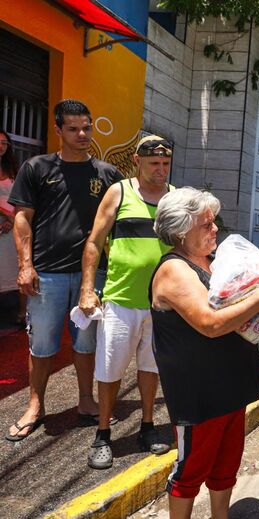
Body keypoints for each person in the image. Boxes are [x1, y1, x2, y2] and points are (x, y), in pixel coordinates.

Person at [150, 187, 259, 519]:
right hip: (200, 392)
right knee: (191, 470)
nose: (215, 229)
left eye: (215, 222)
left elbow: (241, 315)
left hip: (230, 383)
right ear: (181, 231)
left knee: (226, 464)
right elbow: (210, 324)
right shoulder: (174, 269)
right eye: (206, 225)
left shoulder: (213, 262)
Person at [5, 100, 123, 442]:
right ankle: (35, 405)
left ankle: (86, 399)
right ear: (58, 130)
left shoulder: (107, 174)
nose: (82, 134)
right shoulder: (36, 168)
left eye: (86, 127)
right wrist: (26, 266)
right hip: (48, 274)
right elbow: (22, 218)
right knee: (42, 345)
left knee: (87, 342)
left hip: (94, 276)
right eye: (73, 128)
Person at [78, 135, 176, 469]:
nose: (161, 170)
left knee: (151, 369)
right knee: (110, 371)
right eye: (154, 164)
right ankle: (103, 434)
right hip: (121, 301)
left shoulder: (175, 198)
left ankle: (147, 426)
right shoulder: (119, 192)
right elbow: (94, 243)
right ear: (137, 161)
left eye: (165, 164)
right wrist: (87, 289)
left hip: (162, 305)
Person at [0, 129, 24, 326]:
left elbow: (19, 196)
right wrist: (5, 214)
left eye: (4, 143)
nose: (1, 146)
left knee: (15, 267)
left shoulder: (13, 168)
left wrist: (12, 217)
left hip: (12, 224)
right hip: (4, 220)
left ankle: (21, 313)